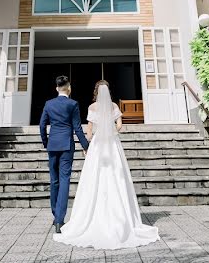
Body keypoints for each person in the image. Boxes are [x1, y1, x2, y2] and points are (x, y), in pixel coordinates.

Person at [53, 80, 159, 250]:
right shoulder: (114, 106)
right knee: (117, 177)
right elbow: (120, 126)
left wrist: (88, 146)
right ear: (108, 91)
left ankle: (92, 216)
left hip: (97, 146)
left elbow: (88, 130)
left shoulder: (92, 107)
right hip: (112, 145)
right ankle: (121, 217)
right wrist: (111, 133)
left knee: (94, 178)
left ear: (96, 91)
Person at [39, 75, 89, 234]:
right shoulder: (73, 104)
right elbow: (78, 128)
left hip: (53, 144)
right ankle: (60, 219)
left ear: (56, 88)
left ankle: (56, 215)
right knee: (64, 179)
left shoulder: (49, 104)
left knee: (54, 180)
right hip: (67, 145)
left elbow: (42, 125)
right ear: (69, 88)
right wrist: (86, 146)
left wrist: (46, 142)